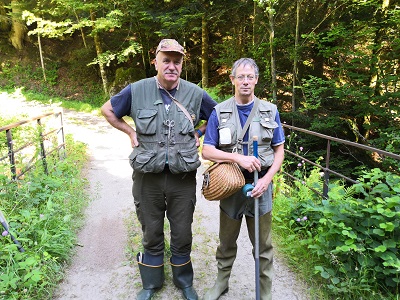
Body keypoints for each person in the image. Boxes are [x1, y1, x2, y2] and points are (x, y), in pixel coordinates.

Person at [101, 39, 217, 300]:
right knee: (150, 228)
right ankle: (151, 283)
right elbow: (107, 110)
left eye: (177, 61)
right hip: (147, 177)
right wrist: (130, 131)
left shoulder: (195, 94)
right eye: (166, 60)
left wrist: (199, 132)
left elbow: (218, 116)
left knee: (182, 229)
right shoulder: (138, 90)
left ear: (182, 64)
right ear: (155, 61)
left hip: (182, 176)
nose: (172, 66)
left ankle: (184, 281)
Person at [201, 58, 285, 300]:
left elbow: (279, 151)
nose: (245, 81)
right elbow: (207, 150)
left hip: (261, 186)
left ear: (256, 80)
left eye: (250, 77)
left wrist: (267, 180)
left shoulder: (270, 111)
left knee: (264, 248)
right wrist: (239, 159)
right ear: (233, 80)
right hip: (231, 186)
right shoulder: (220, 111)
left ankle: (265, 293)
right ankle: (221, 283)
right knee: (226, 242)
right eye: (241, 77)